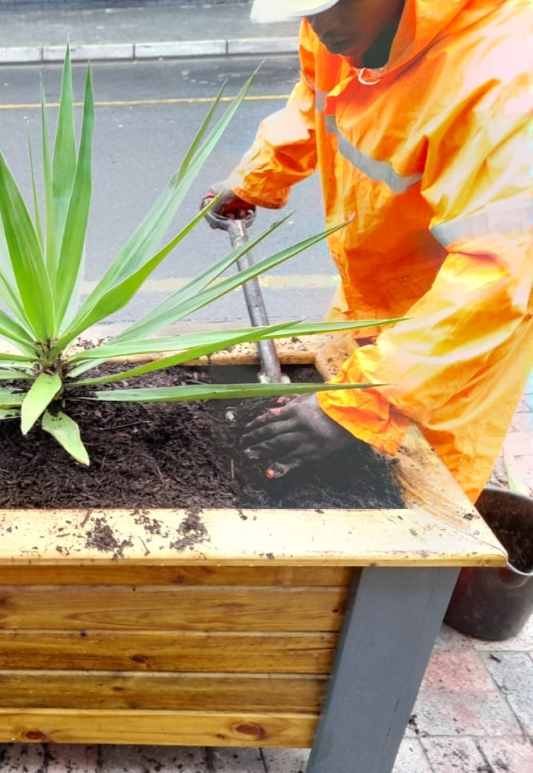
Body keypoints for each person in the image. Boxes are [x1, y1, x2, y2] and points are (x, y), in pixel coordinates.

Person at [203, 0, 533, 502]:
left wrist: (364, 399)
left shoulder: (503, 83)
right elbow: (317, 101)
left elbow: (497, 277)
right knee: (341, 424)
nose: (320, 26)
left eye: (334, 6)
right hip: (374, 290)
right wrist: (255, 178)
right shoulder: (341, 28)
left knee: (427, 497)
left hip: (456, 335)